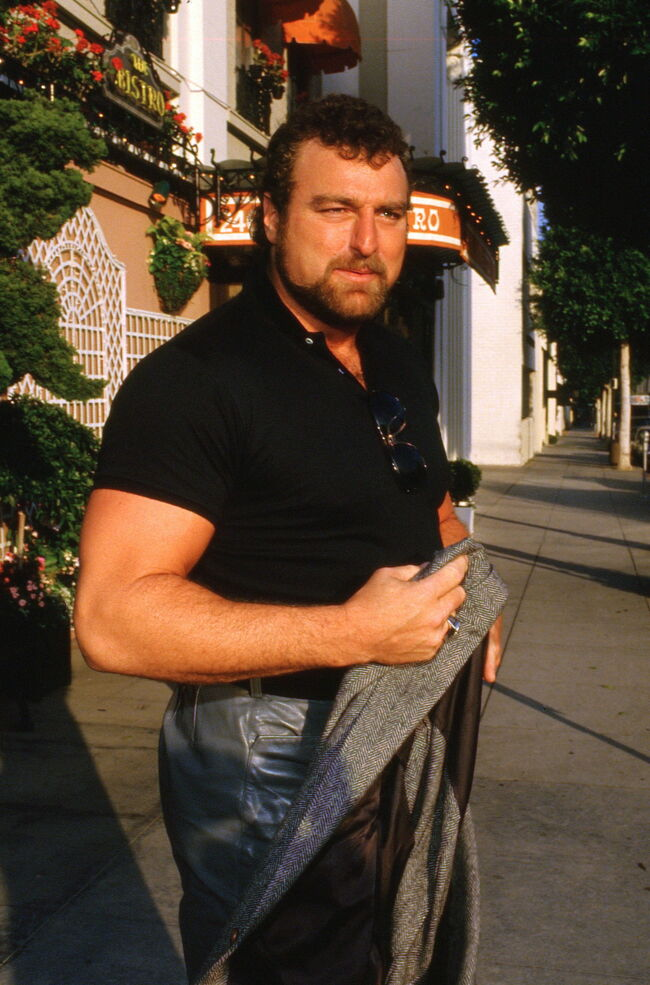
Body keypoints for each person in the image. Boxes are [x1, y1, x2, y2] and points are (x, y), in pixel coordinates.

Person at [75, 94, 501, 984]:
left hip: (392, 723)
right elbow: (113, 620)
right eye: (334, 208)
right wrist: (352, 631)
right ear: (271, 216)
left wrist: (466, 591)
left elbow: (428, 505)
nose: (367, 241)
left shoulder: (392, 358)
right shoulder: (197, 381)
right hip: (267, 746)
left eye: (388, 214)